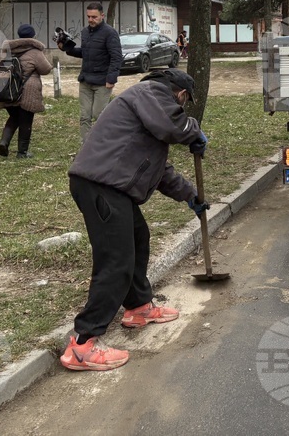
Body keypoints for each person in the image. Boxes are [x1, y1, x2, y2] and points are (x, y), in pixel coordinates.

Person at [60, 68, 210, 372]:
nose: (181, 107)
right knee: (116, 260)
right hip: (101, 185)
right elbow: (173, 125)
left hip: (111, 187)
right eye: (183, 102)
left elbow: (160, 171)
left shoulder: (146, 113)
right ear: (179, 93)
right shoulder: (150, 93)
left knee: (138, 238)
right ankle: (82, 344)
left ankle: (138, 307)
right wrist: (192, 130)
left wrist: (190, 196)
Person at [58, 2, 123, 142]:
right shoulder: (85, 32)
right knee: (84, 116)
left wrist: (111, 78)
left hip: (102, 82)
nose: (90, 20)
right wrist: (67, 48)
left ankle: (104, 143)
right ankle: (86, 147)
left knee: (98, 115)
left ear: (102, 16)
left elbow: (116, 57)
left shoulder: (110, 33)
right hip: (85, 80)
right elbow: (85, 52)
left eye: (94, 17)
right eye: (88, 17)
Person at [0, 24, 53, 158]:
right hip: (28, 91)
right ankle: (22, 152)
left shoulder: (7, 50)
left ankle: (4, 142)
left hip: (9, 90)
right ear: (33, 36)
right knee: (26, 121)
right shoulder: (35, 52)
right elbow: (46, 69)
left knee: (14, 117)